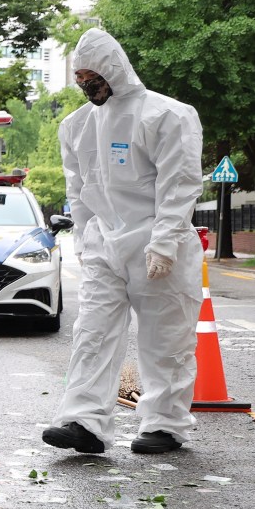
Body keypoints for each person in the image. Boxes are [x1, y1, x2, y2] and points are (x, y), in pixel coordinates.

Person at [42, 28, 203, 456]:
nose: (88, 88)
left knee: (165, 339)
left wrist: (166, 242)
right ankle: (84, 422)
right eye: (81, 80)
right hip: (105, 245)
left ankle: (164, 425)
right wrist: (84, 239)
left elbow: (180, 184)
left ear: (114, 69)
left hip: (156, 242)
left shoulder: (168, 115)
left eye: (94, 78)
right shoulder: (75, 126)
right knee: (92, 333)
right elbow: (78, 190)